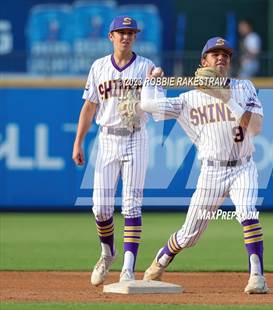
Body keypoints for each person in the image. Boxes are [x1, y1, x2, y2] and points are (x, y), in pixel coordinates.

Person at [139, 37, 269, 294]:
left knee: (247, 212)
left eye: (225, 54)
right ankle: (162, 259)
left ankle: (257, 276)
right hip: (211, 171)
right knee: (189, 235)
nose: (221, 57)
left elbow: (256, 128)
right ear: (203, 62)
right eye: (214, 53)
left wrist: (226, 99)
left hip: (243, 166)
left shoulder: (244, 88)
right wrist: (152, 81)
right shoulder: (189, 99)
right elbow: (148, 105)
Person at [72, 15, 156, 286]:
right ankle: (108, 253)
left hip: (136, 137)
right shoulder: (98, 67)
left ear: (135, 37)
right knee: (101, 209)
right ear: (111, 36)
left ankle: (128, 269)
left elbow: (157, 103)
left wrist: (156, 82)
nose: (126, 36)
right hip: (107, 137)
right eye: (121, 32)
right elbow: (89, 106)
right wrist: (78, 141)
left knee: (132, 205)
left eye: (130, 32)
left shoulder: (146, 66)